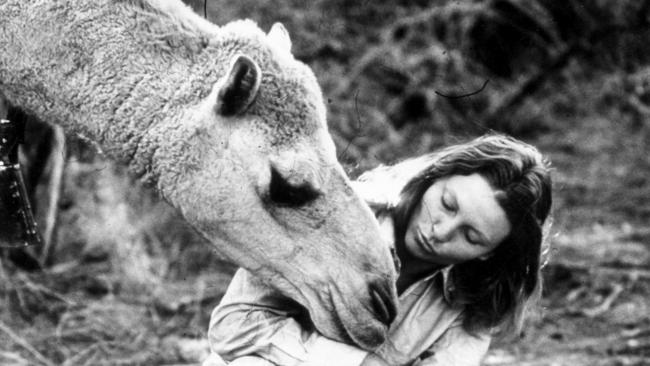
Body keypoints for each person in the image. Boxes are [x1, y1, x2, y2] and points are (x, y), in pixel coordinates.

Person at [203, 134, 553, 366]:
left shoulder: (479, 298)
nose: (441, 231)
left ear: (490, 253)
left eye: (471, 237)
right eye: (447, 204)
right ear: (436, 175)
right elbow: (232, 326)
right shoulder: (333, 215)